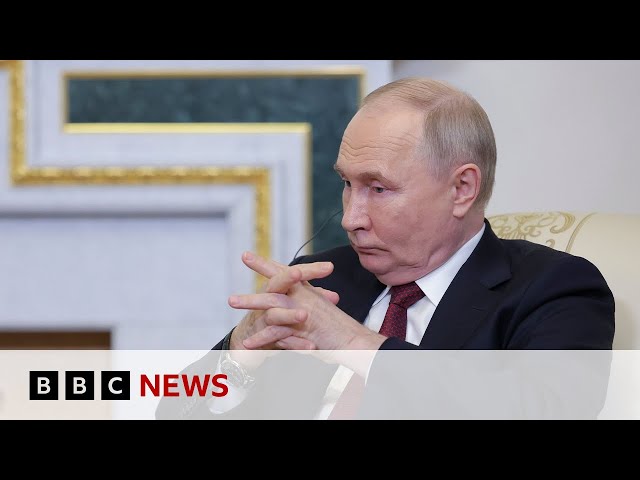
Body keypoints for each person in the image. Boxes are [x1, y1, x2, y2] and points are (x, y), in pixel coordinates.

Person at [155, 77, 615, 420]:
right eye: (347, 184)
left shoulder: (554, 287)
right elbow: (173, 412)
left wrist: (352, 342)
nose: (351, 218)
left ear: (462, 189)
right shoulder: (321, 277)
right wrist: (239, 356)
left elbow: (544, 410)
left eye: (378, 188)